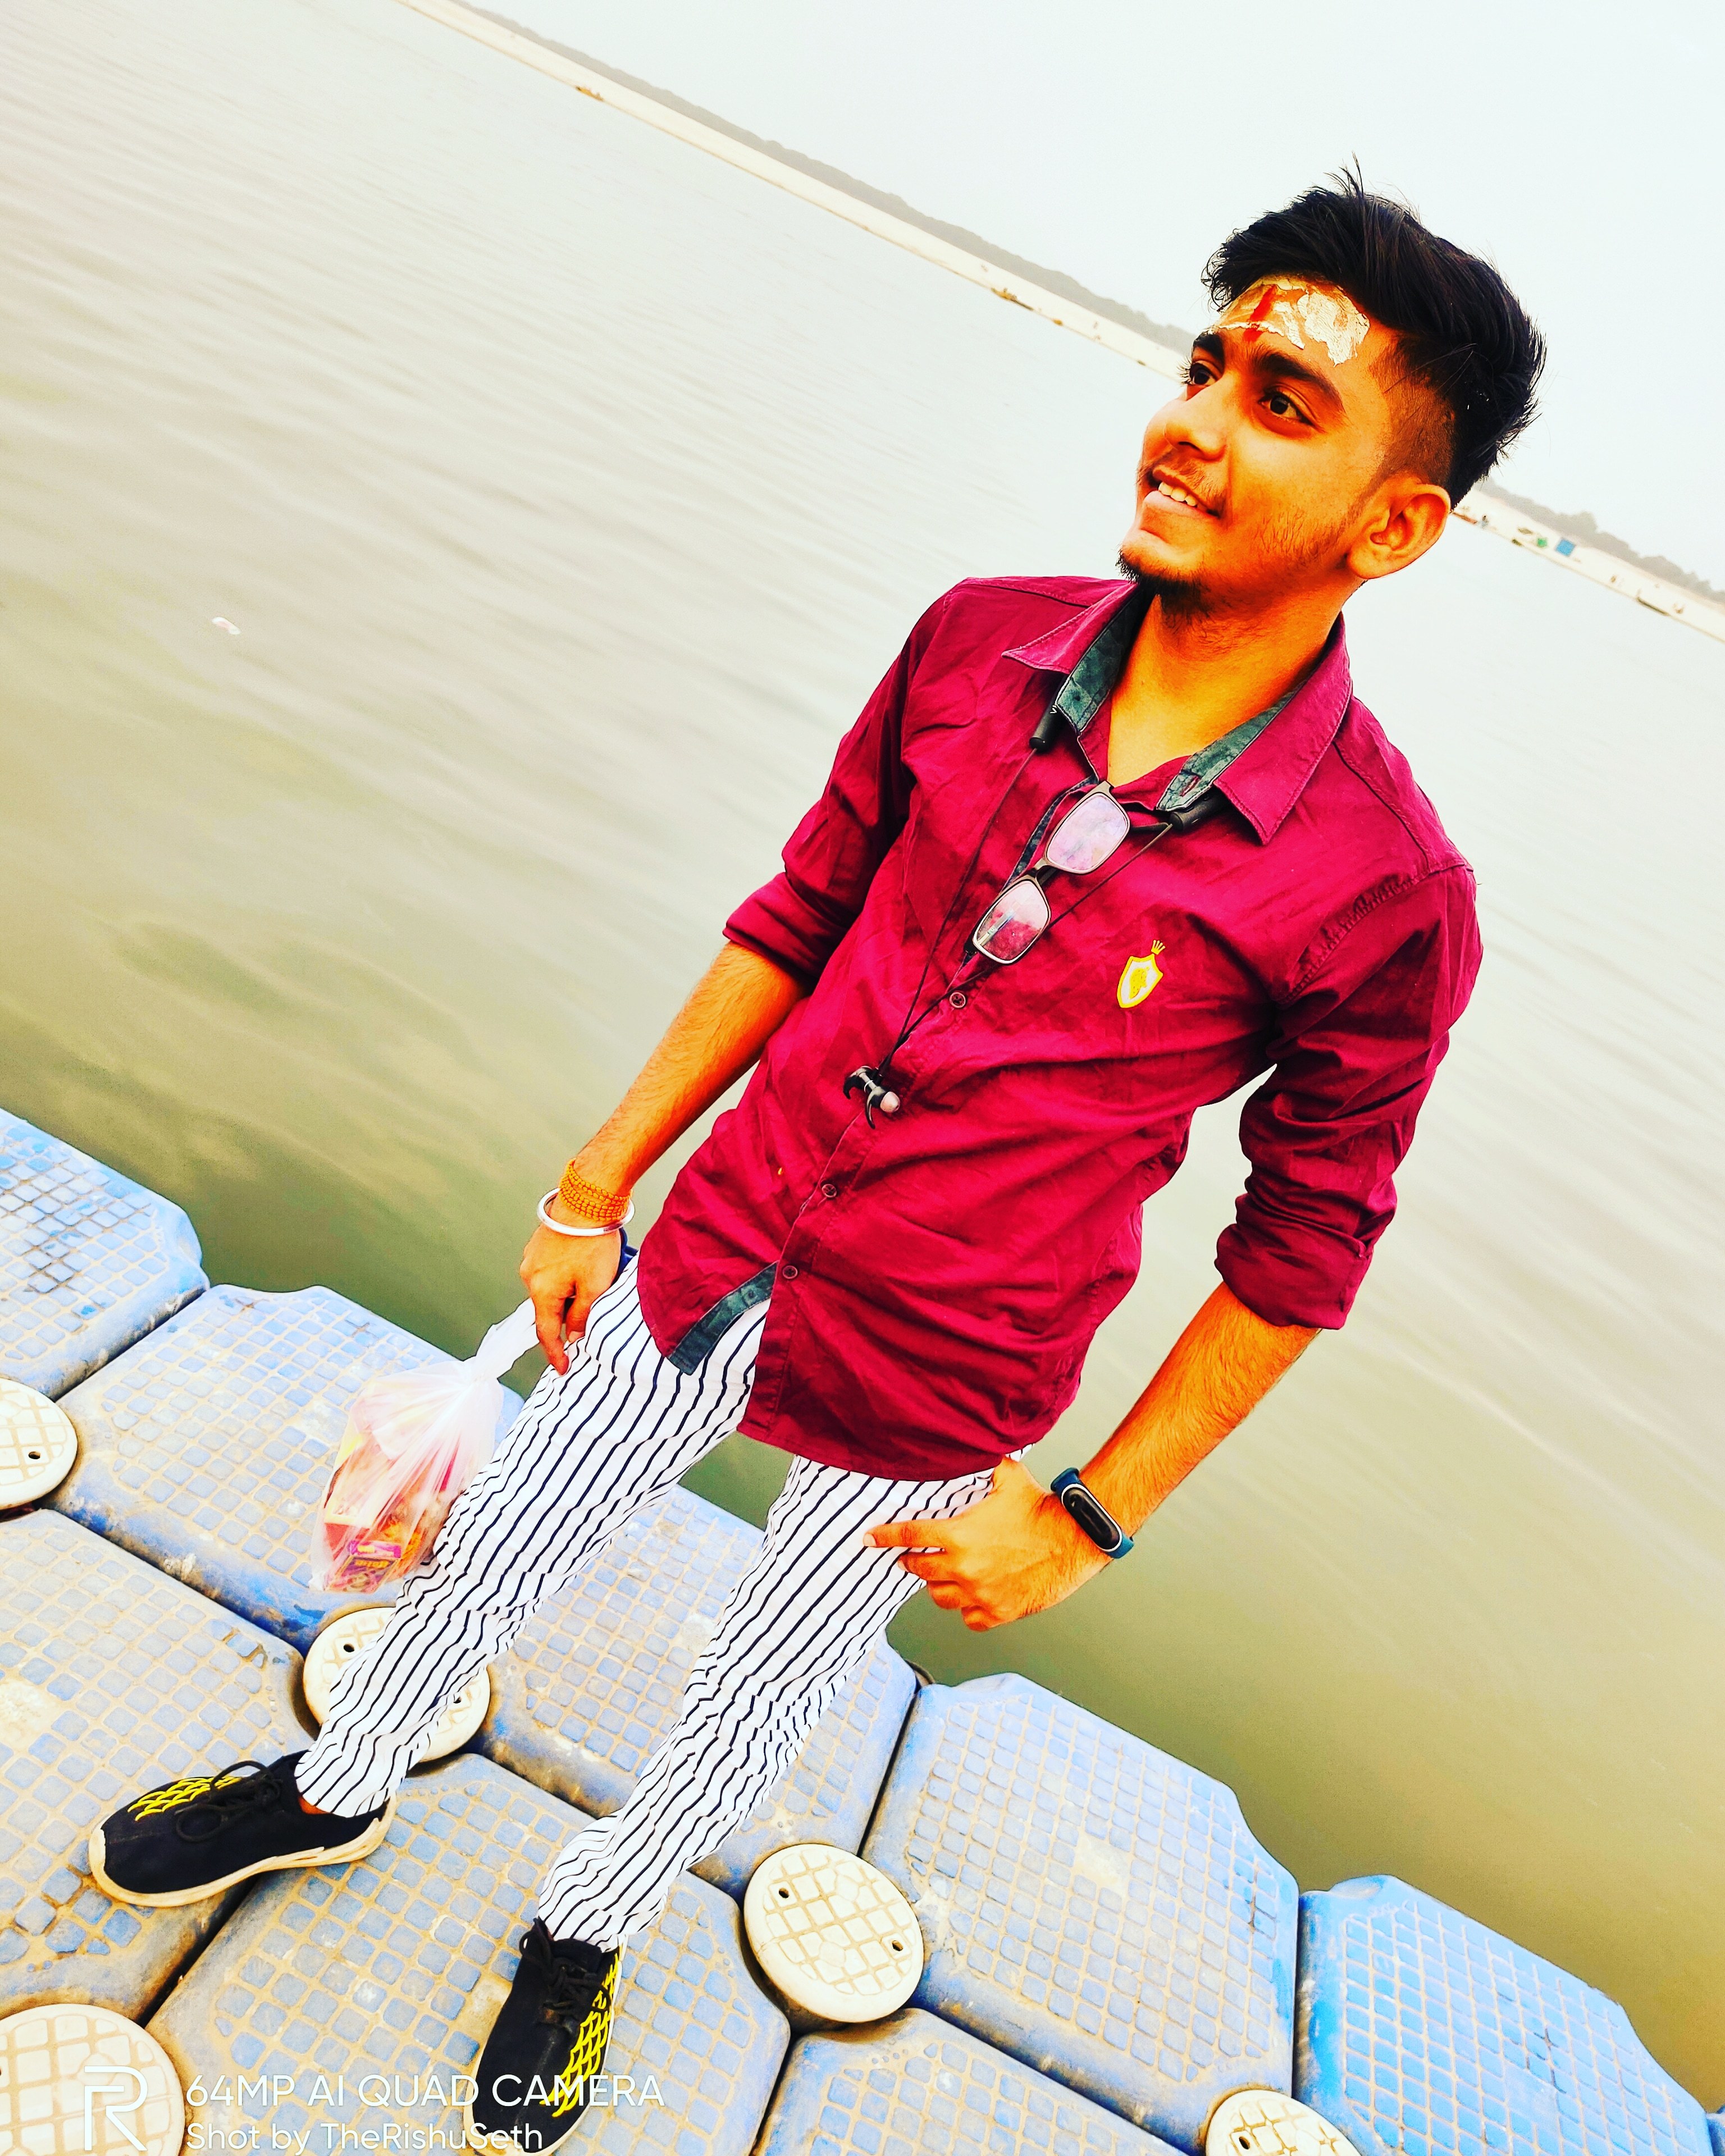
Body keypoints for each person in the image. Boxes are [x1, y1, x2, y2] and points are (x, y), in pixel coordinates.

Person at [92, 174, 1540, 2153]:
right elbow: (796, 916)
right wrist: (597, 1183)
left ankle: (588, 1928)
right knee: (503, 1535)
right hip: (721, 1249)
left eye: (1281, 404)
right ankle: (338, 1785)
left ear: (1395, 525)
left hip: (952, 1370)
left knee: (757, 1688)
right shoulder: (978, 642)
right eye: (1204, 365)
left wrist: (1088, 1518)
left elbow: (1303, 1252)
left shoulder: (1383, 888)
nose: (1193, 423)